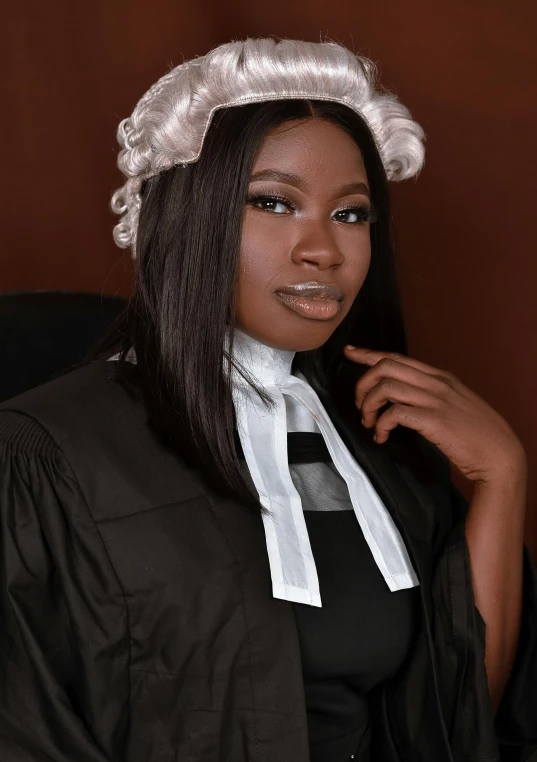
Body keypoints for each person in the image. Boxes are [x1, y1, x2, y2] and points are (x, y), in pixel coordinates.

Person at [0, 37, 535, 762]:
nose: (323, 249)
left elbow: (455, 719)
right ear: (185, 217)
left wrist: (499, 476)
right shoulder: (42, 458)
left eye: (351, 214)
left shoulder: (381, 450)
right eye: (273, 202)